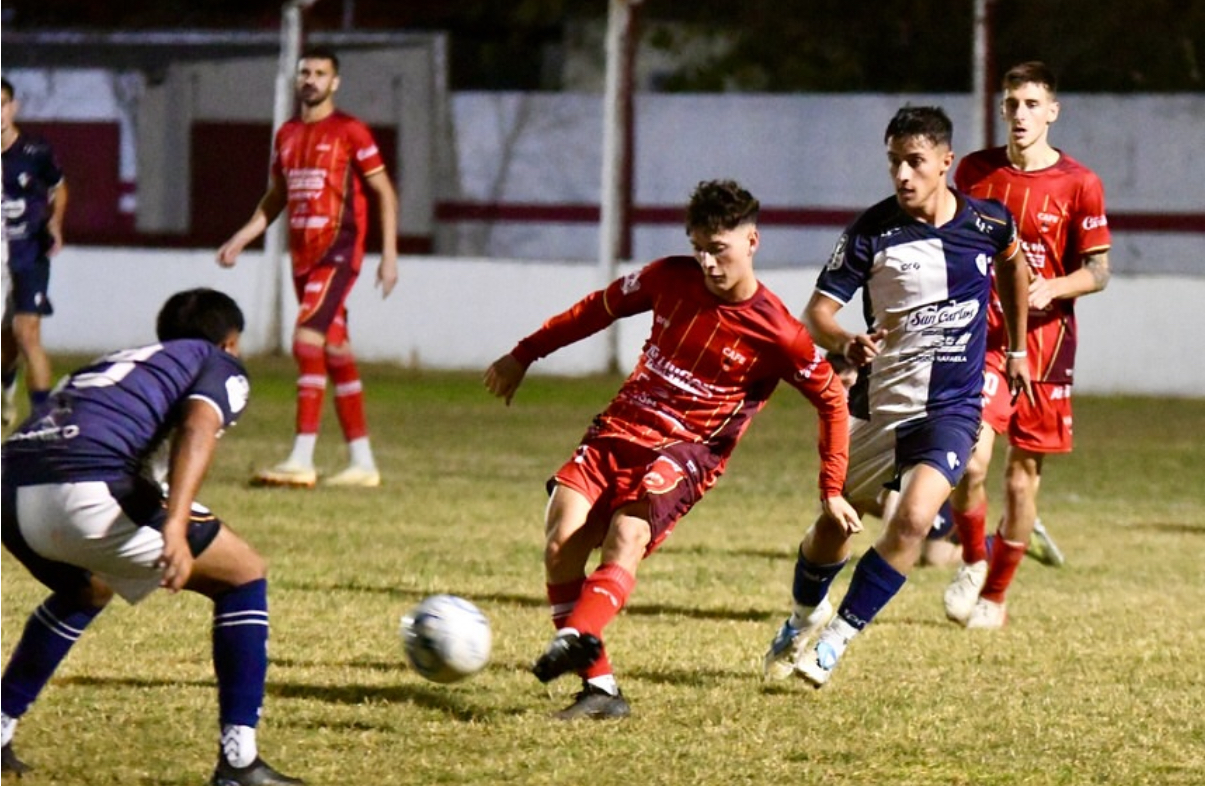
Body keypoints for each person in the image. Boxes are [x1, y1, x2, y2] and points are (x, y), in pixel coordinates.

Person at [483, 179, 859, 719]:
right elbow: (595, 310)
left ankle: (578, 635)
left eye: (719, 249)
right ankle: (601, 691)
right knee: (561, 537)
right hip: (620, 427)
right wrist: (525, 354)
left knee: (626, 535)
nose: (708, 262)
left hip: (687, 449)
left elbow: (831, 399)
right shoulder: (667, 277)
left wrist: (831, 488)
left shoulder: (779, 333)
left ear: (752, 241)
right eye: (699, 248)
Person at [761, 106, 1031, 688]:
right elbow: (817, 313)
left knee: (912, 519)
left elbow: (1015, 267)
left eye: (915, 162)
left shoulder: (989, 223)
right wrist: (844, 341)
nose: (903, 175)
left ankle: (836, 640)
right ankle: (804, 616)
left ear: (945, 161)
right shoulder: (872, 231)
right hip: (880, 405)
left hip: (952, 408)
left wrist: (1017, 347)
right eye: (894, 163)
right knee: (834, 526)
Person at [0, 289, 302, 785]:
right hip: (88, 486)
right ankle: (239, 763)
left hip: (9, 494)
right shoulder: (216, 361)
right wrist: (176, 527)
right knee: (243, 573)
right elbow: (198, 428)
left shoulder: (119, 360)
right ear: (229, 342)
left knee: (88, 588)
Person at [943, 62, 1112, 628]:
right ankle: (972, 560)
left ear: (1052, 112)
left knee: (1020, 481)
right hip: (987, 340)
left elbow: (1099, 271)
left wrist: (1052, 287)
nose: (1020, 114)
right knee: (970, 463)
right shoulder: (975, 172)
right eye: (1013, 104)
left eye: (1032, 104)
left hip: (1047, 346)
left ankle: (995, 597)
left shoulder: (1079, 183)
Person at [217, 45, 399, 489]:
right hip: (304, 257)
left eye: (320, 73)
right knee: (335, 351)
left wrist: (389, 255)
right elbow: (276, 197)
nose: (311, 80)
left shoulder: (350, 131)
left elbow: (384, 192)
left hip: (339, 250)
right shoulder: (287, 134)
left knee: (305, 341)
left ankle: (301, 457)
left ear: (335, 82)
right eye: (305, 73)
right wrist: (241, 237)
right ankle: (363, 463)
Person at [1, 76, 69, 428]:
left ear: (13, 107)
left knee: (27, 333)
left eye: (2, 105)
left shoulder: (35, 151)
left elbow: (59, 187)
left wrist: (55, 223)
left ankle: (43, 418)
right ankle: (6, 391)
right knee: (5, 341)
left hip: (29, 254)